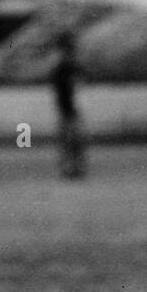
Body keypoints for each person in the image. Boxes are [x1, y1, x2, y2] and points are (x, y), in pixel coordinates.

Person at [50, 31, 87, 180]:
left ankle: (71, 167)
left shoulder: (64, 69)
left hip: (69, 108)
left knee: (71, 140)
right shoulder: (66, 69)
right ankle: (73, 167)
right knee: (73, 140)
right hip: (69, 108)